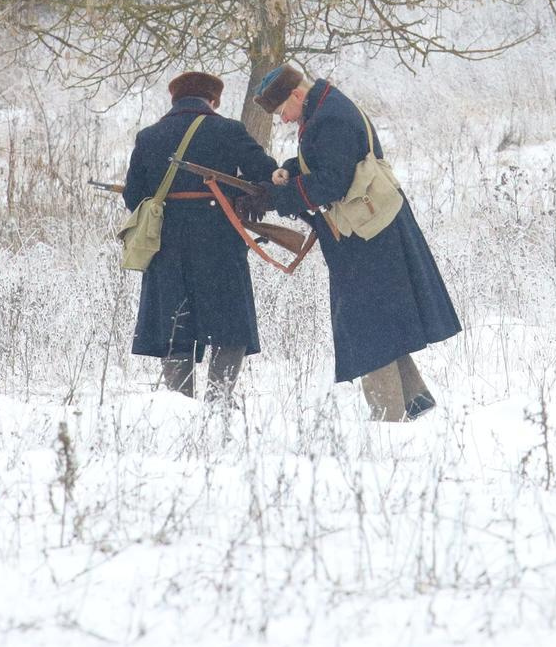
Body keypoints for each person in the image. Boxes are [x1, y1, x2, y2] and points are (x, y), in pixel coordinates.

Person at [255, 64, 461, 421]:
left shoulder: (329, 118)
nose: (284, 120)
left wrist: (280, 197)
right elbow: (326, 161)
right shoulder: (325, 108)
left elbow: (332, 182)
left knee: (366, 325)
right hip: (371, 232)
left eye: (282, 112)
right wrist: (290, 169)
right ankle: (416, 402)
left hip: (369, 236)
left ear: (296, 95)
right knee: (379, 320)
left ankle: (387, 419)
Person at [122, 71, 281, 401]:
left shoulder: (148, 137)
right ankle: (217, 403)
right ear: (214, 100)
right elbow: (266, 174)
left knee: (174, 327)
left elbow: (133, 196)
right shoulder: (229, 130)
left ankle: (182, 407)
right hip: (219, 242)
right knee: (229, 327)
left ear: (175, 99)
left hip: (166, 245)